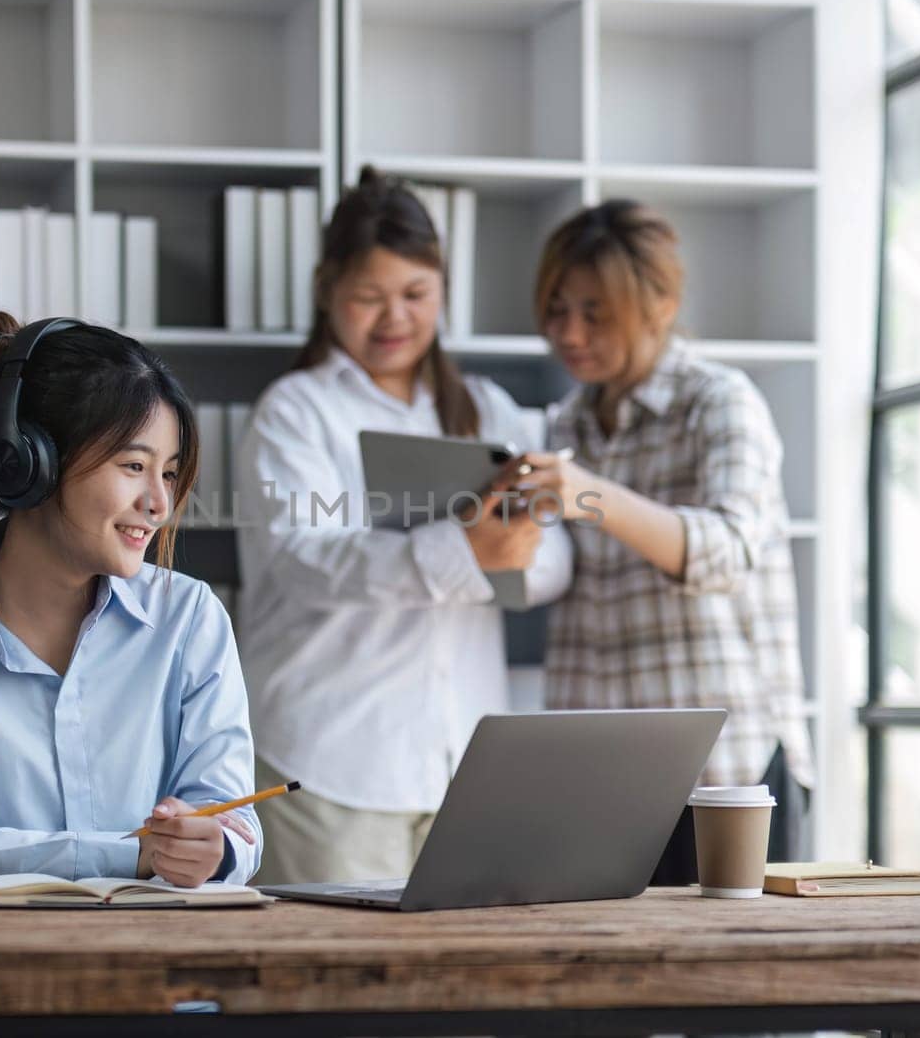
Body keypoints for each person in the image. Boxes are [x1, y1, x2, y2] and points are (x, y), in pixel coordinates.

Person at [234, 166, 572, 885]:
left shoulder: (487, 409)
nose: (394, 319)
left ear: (444, 291)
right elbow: (304, 560)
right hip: (330, 764)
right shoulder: (295, 411)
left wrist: (503, 552)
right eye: (369, 297)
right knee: (333, 989)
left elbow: (557, 561)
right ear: (329, 291)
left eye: (416, 295)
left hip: (466, 770)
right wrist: (468, 550)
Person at [0, 313, 262, 891]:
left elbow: (236, 821)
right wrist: (123, 856)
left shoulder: (189, 619)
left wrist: (214, 849)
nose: (159, 504)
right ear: (28, 463)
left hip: (154, 955)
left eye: (167, 475)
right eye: (134, 467)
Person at [512, 200, 813, 884]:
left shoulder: (720, 402)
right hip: (601, 782)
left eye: (595, 312)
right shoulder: (567, 426)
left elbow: (729, 549)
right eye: (556, 310)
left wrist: (588, 494)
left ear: (661, 305)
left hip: (724, 774)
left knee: (737, 981)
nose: (569, 332)